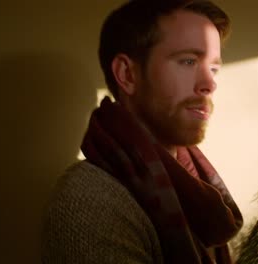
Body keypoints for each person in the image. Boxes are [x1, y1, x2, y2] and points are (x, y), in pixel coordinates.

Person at [41, 0, 244, 263]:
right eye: (188, 61)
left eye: (214, 68)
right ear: (127, 74)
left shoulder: (195, 189)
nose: (209, 83)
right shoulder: (90, 200)